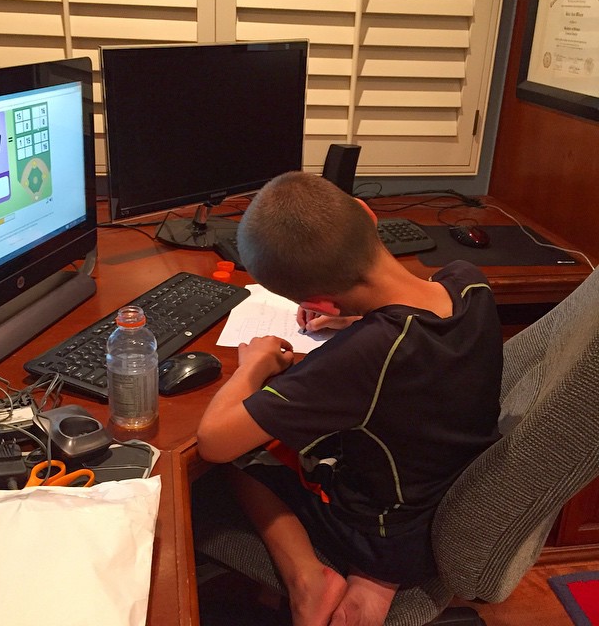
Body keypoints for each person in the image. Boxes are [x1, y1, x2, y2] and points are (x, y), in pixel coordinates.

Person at [196, 171, 502, 626]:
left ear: (320, 304)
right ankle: (372, 583)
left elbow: (214, 440)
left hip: (382, 534)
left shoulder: (365, 356)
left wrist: (253, 365)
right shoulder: (468, 283)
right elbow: (411, 319)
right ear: (368, 214)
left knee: (240, 463)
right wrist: (353, 319)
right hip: (439, 497)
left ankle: (309, 582)